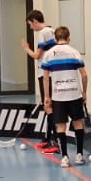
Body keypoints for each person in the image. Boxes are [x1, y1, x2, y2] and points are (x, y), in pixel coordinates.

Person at [42, 25, 91, 167]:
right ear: (68, 38)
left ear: (55, 39)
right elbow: (84, 75)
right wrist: (84, 92)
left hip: (58, 97)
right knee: (78, 123)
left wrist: (47, 96)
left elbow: (45, 78)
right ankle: (79, 155)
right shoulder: (74, 52)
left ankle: (64, 157)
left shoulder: (48, 54)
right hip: (74, 94)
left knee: (60, 126)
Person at [21, 9, 58, 152]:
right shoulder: (51, 31)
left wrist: (26, 48)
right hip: (50, 74)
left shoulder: (43, 33)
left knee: (48, 106)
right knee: (47, 106)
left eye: (30, 24)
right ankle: (48, 138)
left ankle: (53, 140)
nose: (31, 28)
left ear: (35, 21)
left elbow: (37, 55)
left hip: (46, 74)